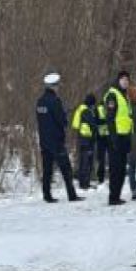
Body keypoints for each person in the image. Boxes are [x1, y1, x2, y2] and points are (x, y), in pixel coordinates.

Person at [34, 72, 82, 203]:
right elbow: (62, 121)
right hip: (56, 140)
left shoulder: (40, 102)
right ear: (54, 86)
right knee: (66, 169)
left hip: (44, 140)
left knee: (47, 169)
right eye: (57, 85)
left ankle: (47, 195)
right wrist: (64, 117)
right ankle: (71, 195)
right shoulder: (55, 101)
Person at [103, 70, 134, 205]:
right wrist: (113, 137)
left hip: (124, 136)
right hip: (115, 137)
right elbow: (110, 118)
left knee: (121, 169)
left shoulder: (125, 95)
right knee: (115, 169)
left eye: (127, 80)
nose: (125, 82)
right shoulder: (112, 95)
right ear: (118, 81)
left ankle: (117, 195)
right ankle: (113, 197)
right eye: (123, 79)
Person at [71, 93, 99, 190]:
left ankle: (83, 183)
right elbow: (93, 124)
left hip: (81, 138)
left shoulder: (80, 108)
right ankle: (84, 184)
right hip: (87, 139)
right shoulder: (86, 111)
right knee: (86, 162)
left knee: (83, 161)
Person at [95, 90, 110, 185]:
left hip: (100, 136)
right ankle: (110, 175)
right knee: (112, 156)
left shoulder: (97, 109)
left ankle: (100, 177)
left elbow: (96, 121)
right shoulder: (109, 107)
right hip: (108, 134)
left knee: (101, 158)